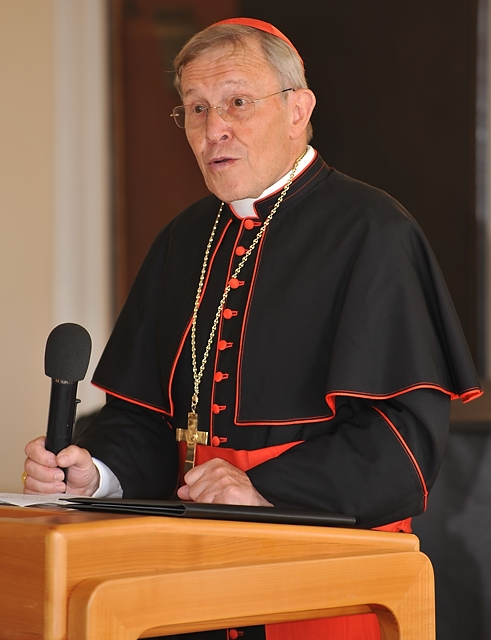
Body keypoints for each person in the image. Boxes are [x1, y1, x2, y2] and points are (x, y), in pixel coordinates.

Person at [23, 17, 481, 640]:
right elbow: (146, 420)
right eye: (196, 108)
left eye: (238, 102)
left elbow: (405, 443)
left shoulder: (373, 231)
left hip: (324, 574)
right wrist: (97, 473)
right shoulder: (183, 240)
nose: (215, 127)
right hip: (191, 575)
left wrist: (262, 489)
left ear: (298, 110)